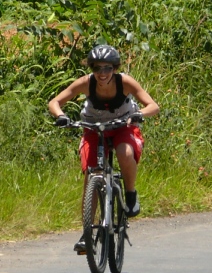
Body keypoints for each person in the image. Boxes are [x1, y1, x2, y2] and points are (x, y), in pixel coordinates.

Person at [48, 44, 159, 252]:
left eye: (107, 68)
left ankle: (131, 193)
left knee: (125, 152)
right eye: (97, 68)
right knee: (92, 176)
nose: (102, 73)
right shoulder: (85, 83)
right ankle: (87, 232)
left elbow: (153, 105)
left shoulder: (125, 82)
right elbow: (55, 101)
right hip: (93, 128)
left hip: (122, 126)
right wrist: (61, 116)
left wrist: (139, 115)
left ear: (114, 68)